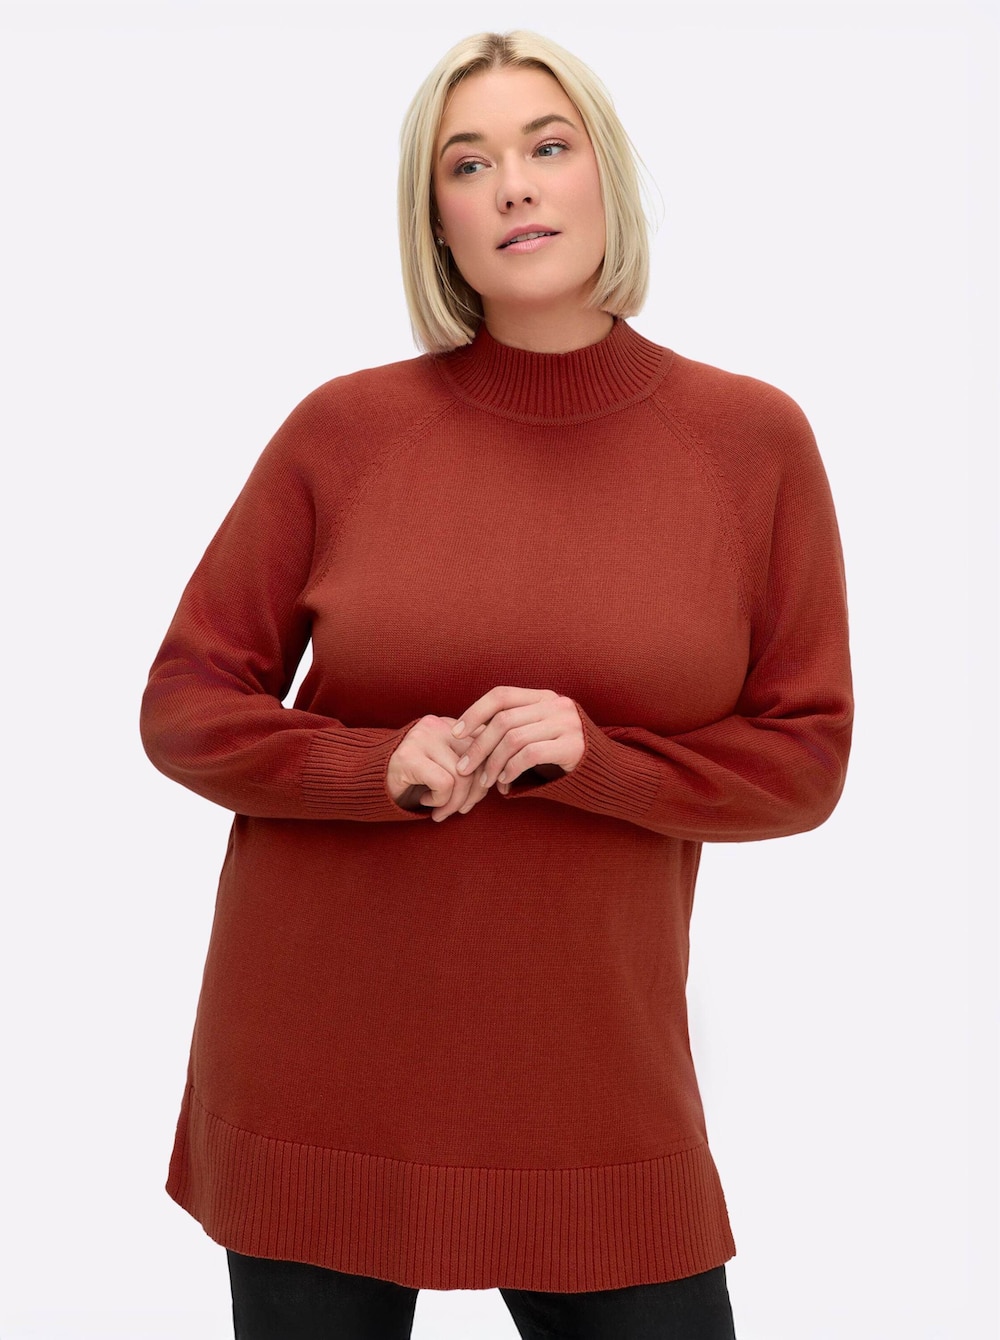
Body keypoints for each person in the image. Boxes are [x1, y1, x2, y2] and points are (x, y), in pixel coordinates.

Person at [140, 28, 853, 1340]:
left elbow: (803, 760)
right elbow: (185, 701)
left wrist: (598, 759)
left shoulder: (750, 444)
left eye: (547, 146)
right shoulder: (344, 432)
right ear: (440, 223)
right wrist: (369, 764)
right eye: (467, 164)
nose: (513, 183)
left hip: (593, 1090)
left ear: (603, 177)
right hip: (317, 1072)